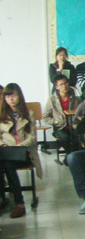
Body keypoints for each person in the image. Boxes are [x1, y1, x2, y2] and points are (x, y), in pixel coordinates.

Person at [0, 84, 42, 218]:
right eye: (7, 96)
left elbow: (32, 137)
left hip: (24, 152)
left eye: (13, 95)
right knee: (5, 162)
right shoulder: (1, 114)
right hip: (5, 151)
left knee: (7, 164)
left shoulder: (28, 114)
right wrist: (3, 145)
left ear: (19, 96)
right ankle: (4, 198)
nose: (11, 99)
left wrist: (19, 146)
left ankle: (20, 204)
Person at [42, 74, 81, 154]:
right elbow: (45, 116)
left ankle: (72, 156)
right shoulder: (52, 99)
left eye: (66, 83)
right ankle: (70, 156)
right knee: (65, 138)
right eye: (61, 84)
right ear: (57, 87)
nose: (64, 86)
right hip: (60, 127)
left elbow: (80, 113)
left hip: (73, 126)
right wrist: (56, 121)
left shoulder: (75, 99)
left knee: (78, 137)